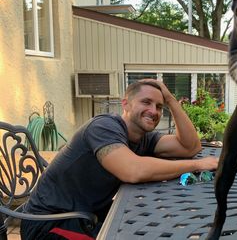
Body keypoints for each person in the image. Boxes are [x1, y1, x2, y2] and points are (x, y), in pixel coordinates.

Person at [20, 79, 219, 240]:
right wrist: (197, 165)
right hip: (49, 224)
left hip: (88, 215)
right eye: (146, 102)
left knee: (149, 226)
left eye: (159, 106)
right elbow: (133, 171)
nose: (154, 111)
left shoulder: (143, 138)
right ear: (125, 103)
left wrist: (171, 101)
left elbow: (191, 146)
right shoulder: (104, 127)